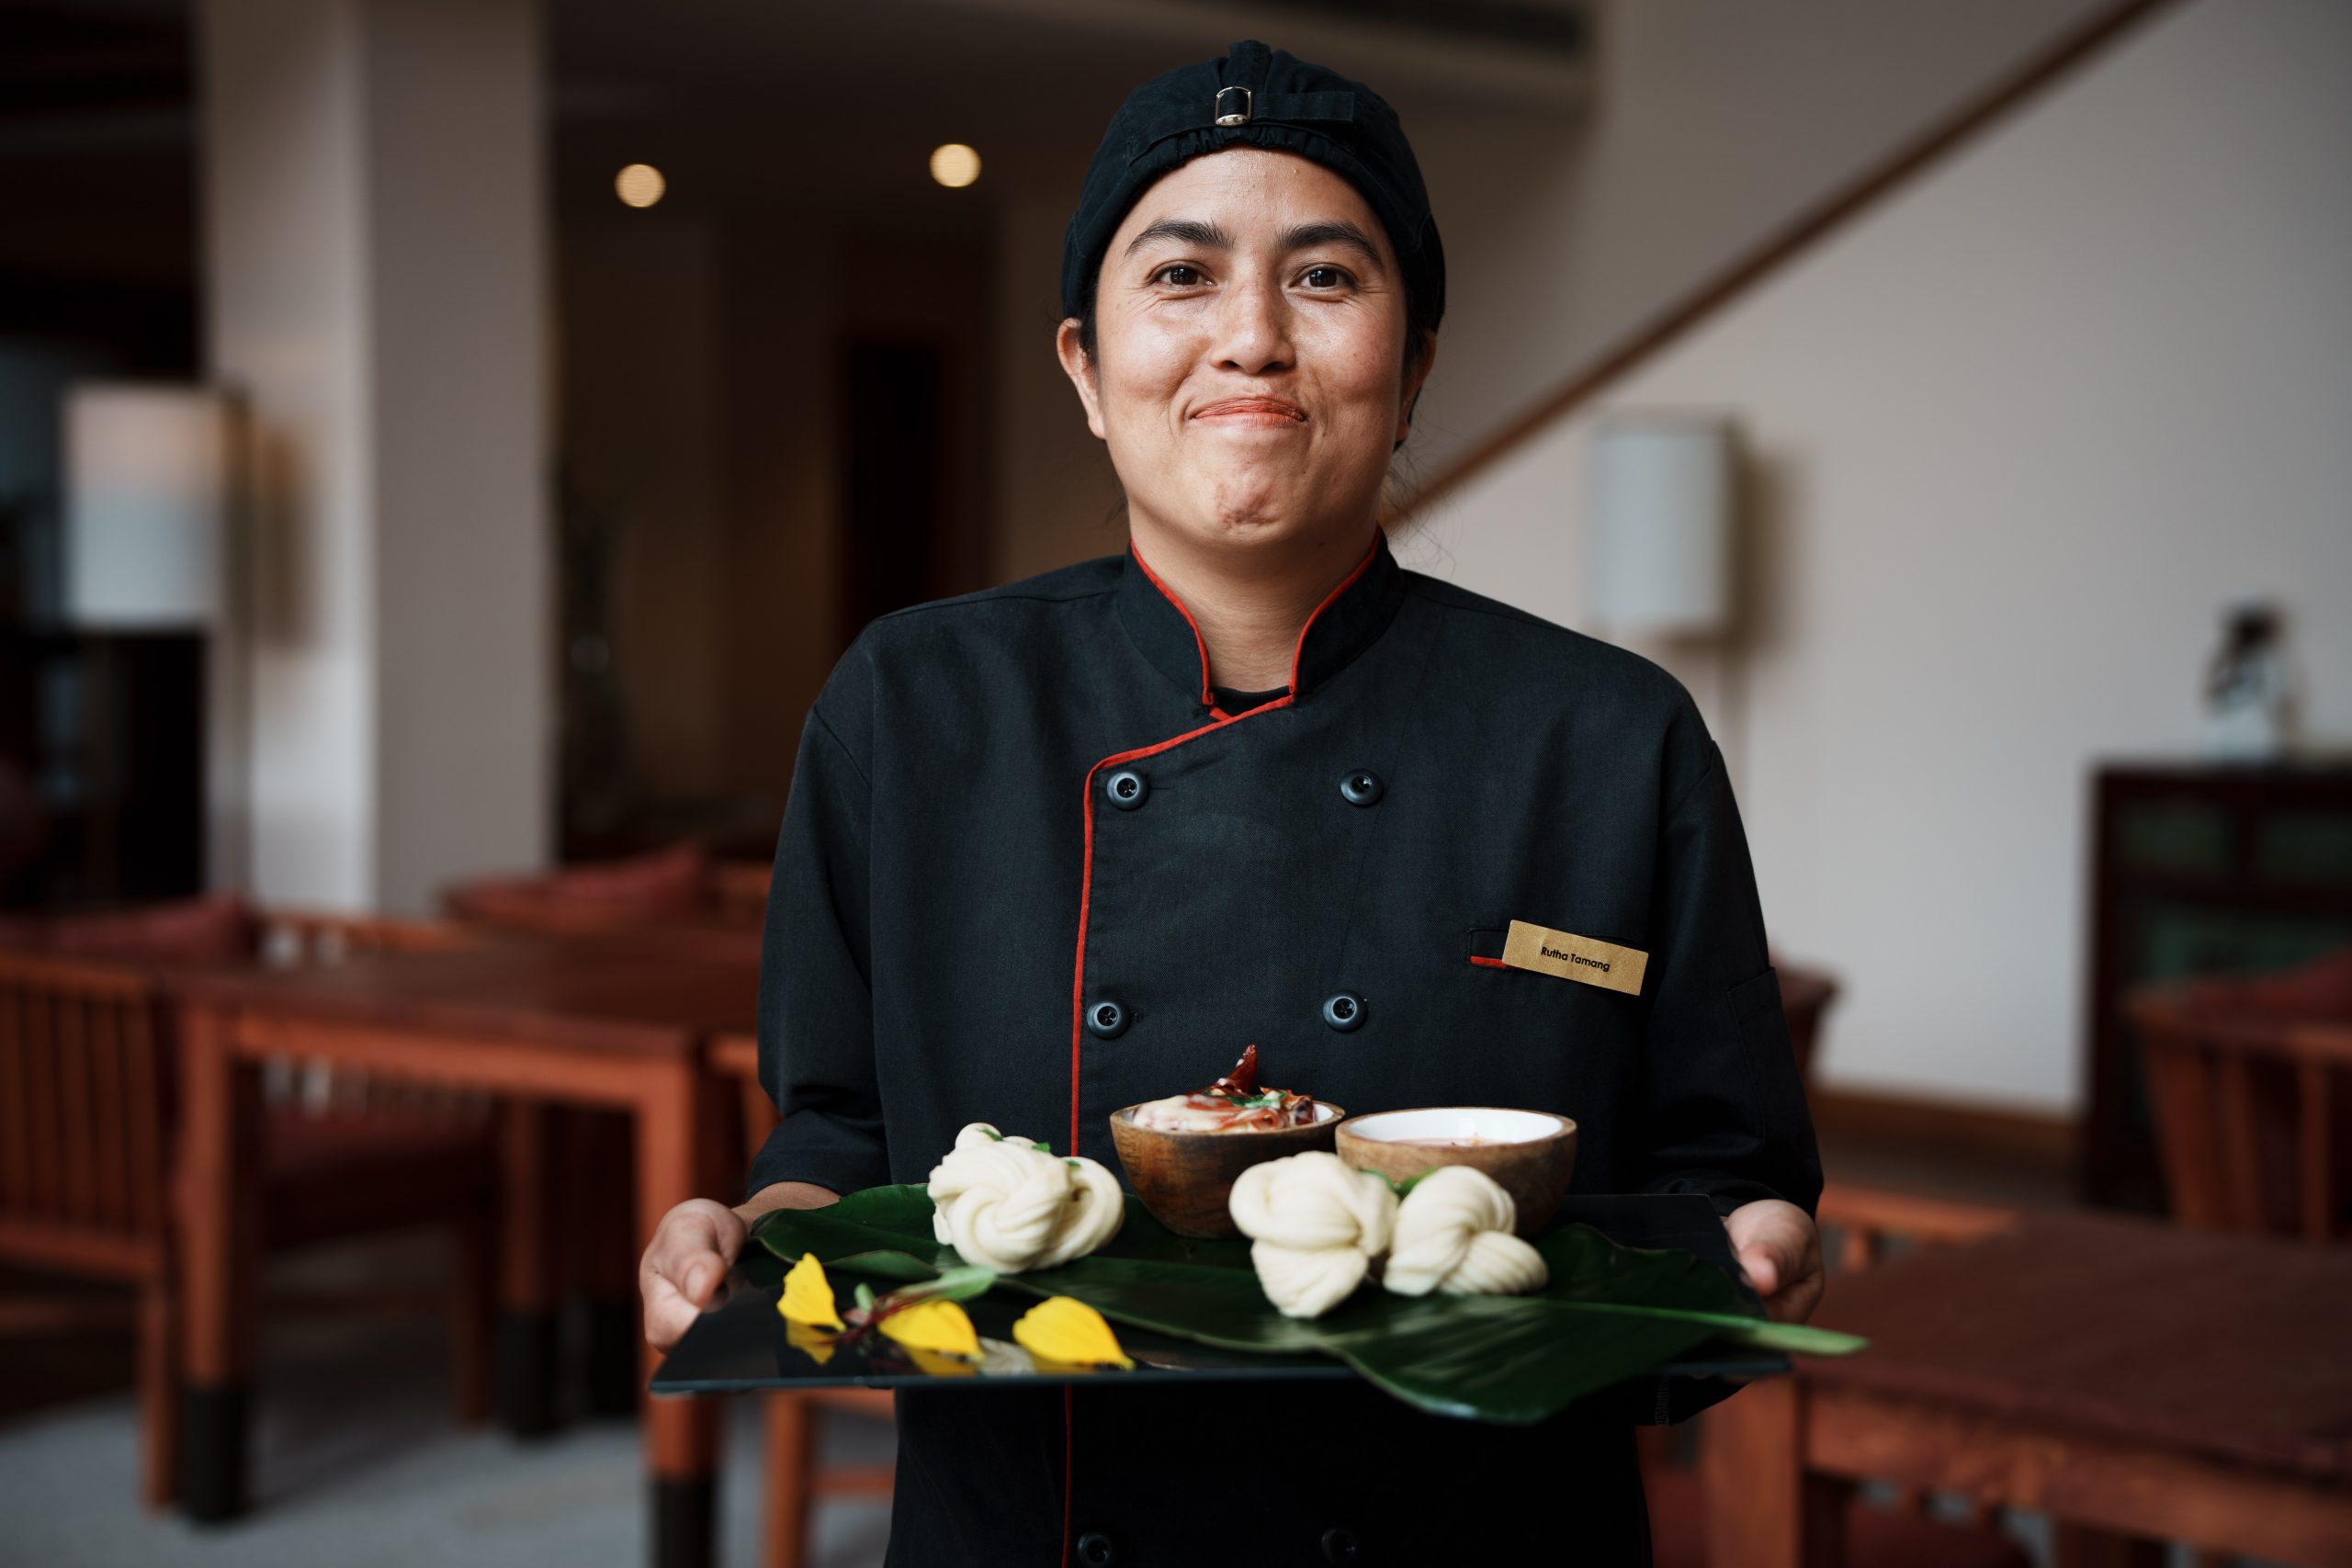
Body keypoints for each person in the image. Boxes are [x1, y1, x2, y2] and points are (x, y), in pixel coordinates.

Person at [643, 39, 1822, 1565]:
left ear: (1415, 370)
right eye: (1182, 276)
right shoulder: (912, 706)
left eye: (1326, 280)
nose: (1252, 338)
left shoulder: (1606, 738)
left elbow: (1721, 1181)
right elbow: (838, 1126)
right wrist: (756, 1234)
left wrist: (1746, 1262)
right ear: (1083, 366)